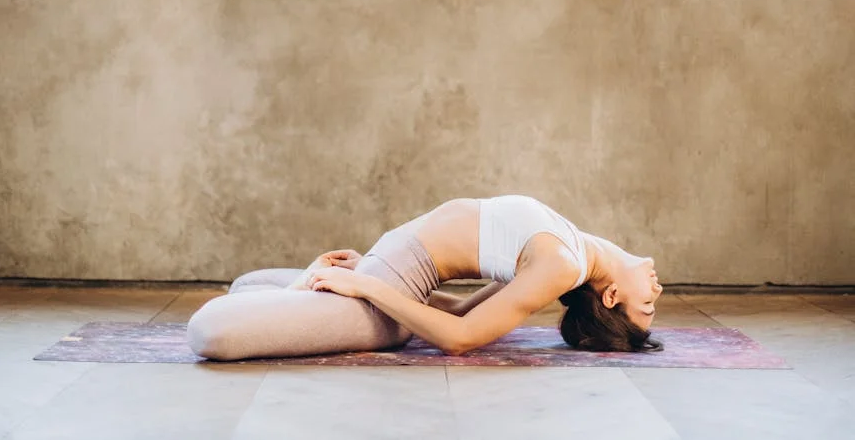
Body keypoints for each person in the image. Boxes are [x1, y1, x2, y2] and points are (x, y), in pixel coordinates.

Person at [187, 195, 664, 361]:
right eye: (652, 306)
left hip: (391, 287)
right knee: (248, 284)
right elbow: (457, 308)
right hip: (391, 267)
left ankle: (314, 296)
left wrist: (369, 287)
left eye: (647, 306)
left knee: (210, 332)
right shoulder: (571, 251)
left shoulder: (560, 265)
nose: (657, 292)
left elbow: (458, 337)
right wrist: (369, 272)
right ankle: (308, 293)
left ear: (612, 296)